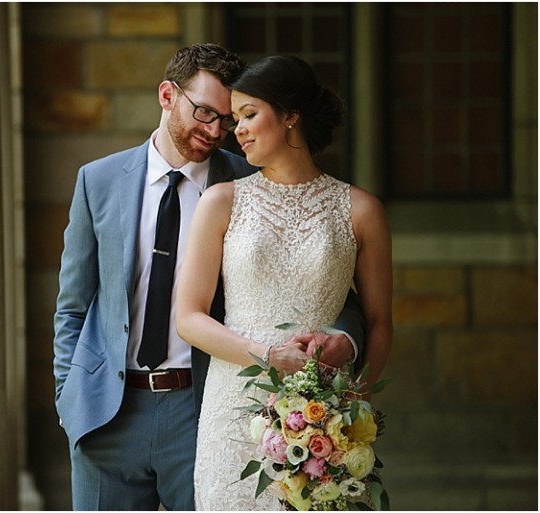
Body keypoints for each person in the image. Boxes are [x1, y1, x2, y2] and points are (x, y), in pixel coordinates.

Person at [53, 44, 365, 511]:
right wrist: (69, 397)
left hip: (199, 409)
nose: (217, 130)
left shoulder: (250, 183)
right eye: (205, 113)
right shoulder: (98, 181)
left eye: (228, 118)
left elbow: (325, 286)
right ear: (166, 95)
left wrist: (344, 339)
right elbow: (74, 304)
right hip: (107, 414)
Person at [175, 55, 393, 510]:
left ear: (291, 116)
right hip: (232, 411)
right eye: (236, 120)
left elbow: (379, 322)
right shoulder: (221, 202)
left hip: (324, 418)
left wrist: (352, 411)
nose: (237, 130)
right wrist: (267, 355)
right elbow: (188, 318)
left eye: (249, 115)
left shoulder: (361, 211)